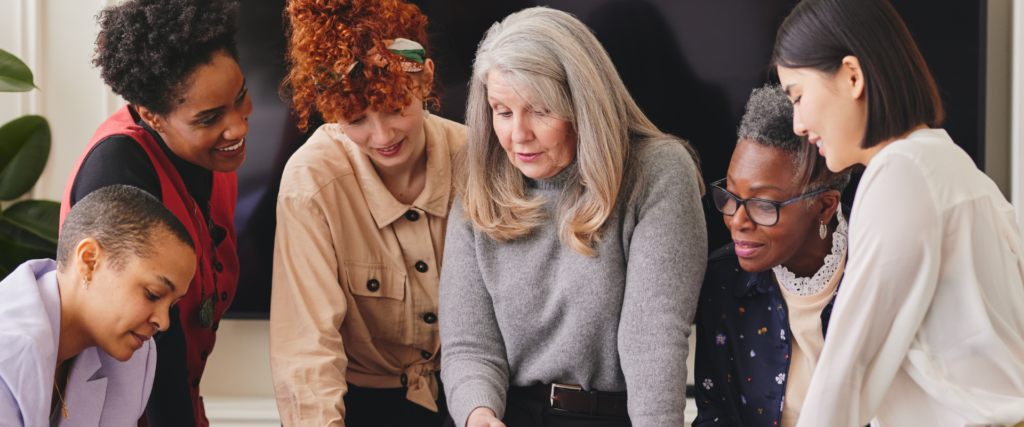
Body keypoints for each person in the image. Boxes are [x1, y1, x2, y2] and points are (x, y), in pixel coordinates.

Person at [439, 7, 707, 427]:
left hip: (614, 415)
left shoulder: (657, 172)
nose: (518, 134)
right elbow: (469, 345)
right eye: (503, 112)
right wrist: (478, 414)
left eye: (540, 111)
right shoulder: (480, 181)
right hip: (511, 413)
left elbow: (653, 339)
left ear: (583, 104)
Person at [773, 0, 1024, 426]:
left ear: (853, 76)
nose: (797, 124)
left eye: (798, 96)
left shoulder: (900, 173)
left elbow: (848, 367)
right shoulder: (956, 169)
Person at [269, 0, 466, 425]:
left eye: (397, 107)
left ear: (425, 77)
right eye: (355, 119)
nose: (382, 136)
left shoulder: (475, 157)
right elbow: (307, 353)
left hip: (476, 396)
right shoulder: (310, 184)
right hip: (367, 407)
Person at [58, 1, 250, 425]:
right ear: (151, 116)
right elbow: (155, 346)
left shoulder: (218, 158)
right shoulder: (118, 168)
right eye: (210, 117)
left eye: (240, 98)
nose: (238, 127)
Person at [692, 84, 852, 427]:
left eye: (764, 205)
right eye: (730, 195)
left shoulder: (878, 270)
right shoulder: (722, 280)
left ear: (824, 208)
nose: (736, 220)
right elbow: (714, 415)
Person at [0, 185, 195, 426]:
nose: (163, 322)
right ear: (89, 261)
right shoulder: (6, 348)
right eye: (153, 294)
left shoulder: (135, 359)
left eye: (173, 305)